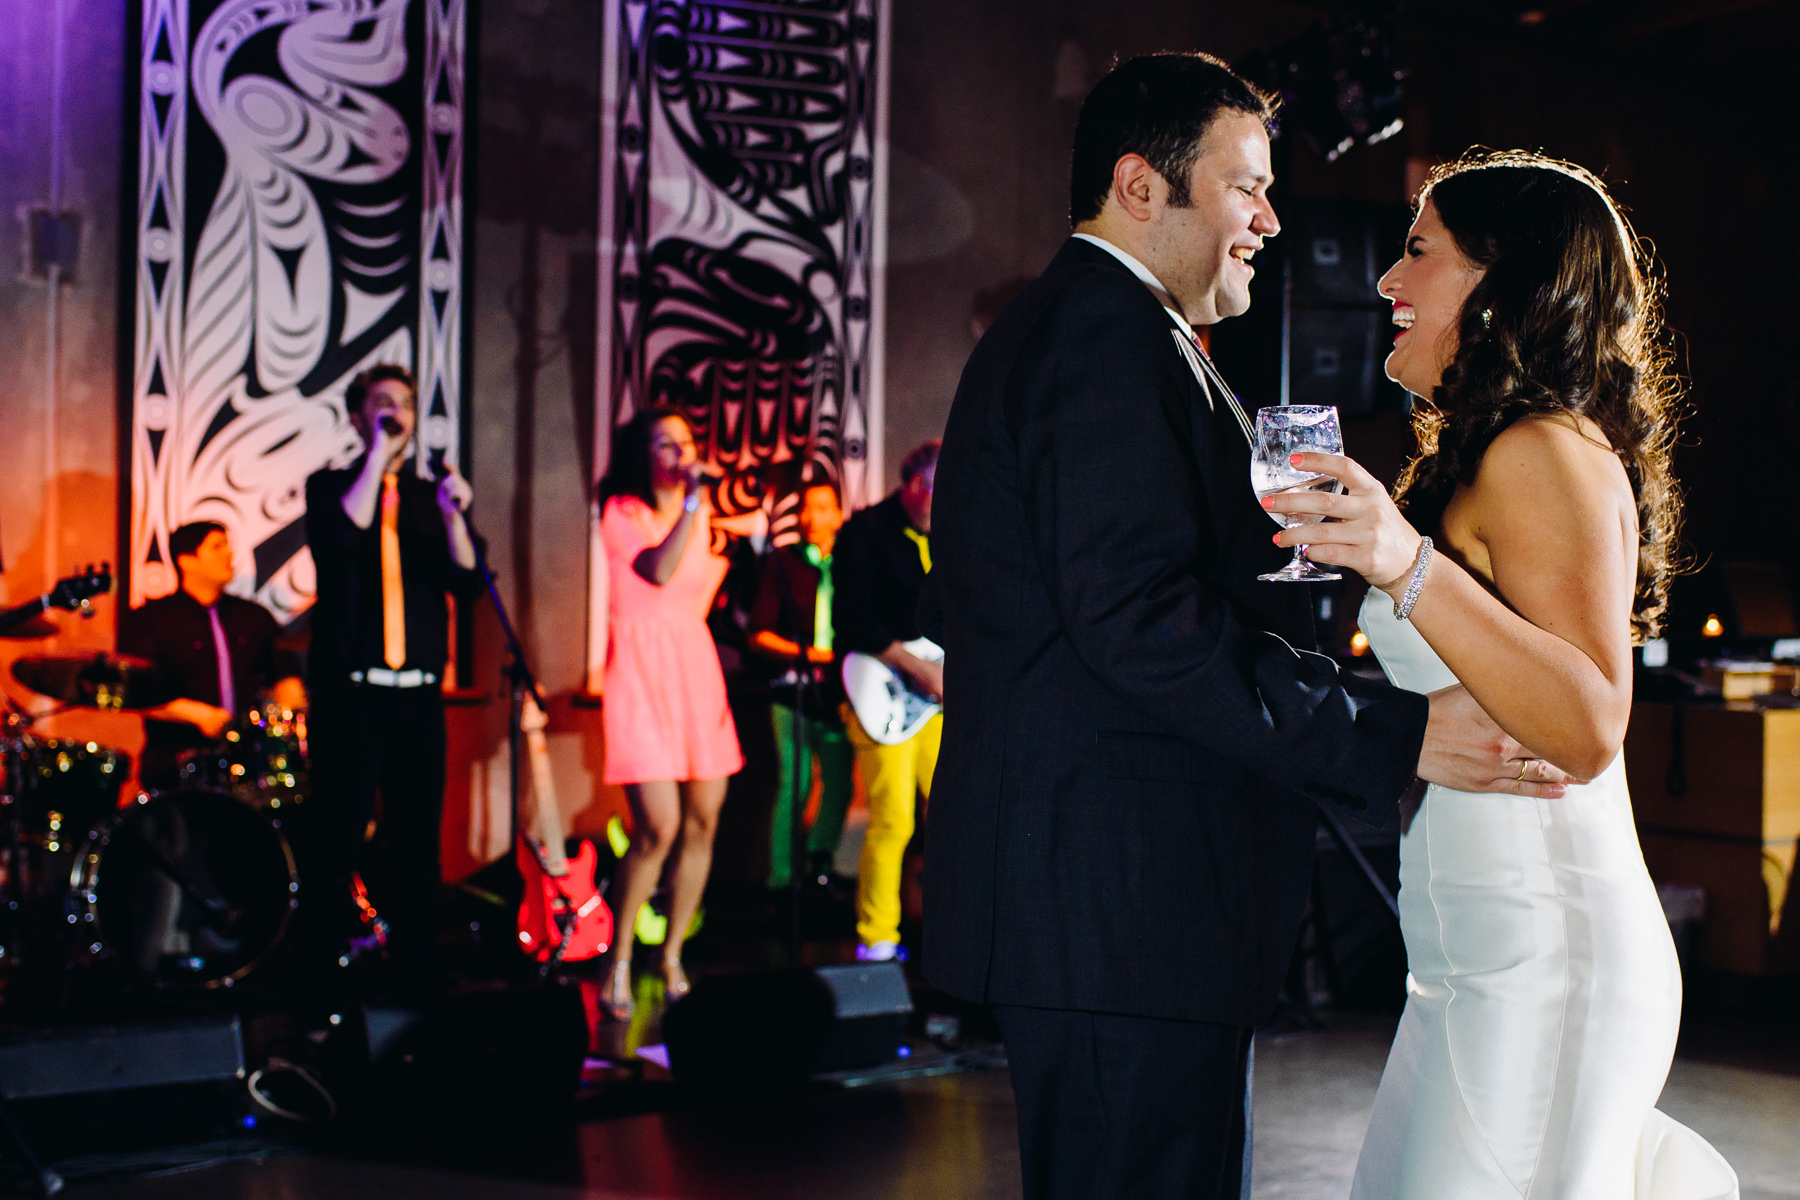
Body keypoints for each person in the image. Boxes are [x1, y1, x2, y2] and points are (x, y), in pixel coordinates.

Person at [921, 54, 1572, 1200]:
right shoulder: (1101, 340)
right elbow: (1141, 625)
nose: (1272, 220)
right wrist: (1388, 736)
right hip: (1116, 908)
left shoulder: (1123, 334)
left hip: (1126, 910)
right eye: (1246, 188)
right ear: (1140, 186)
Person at [1266, 150, 1738, 1198]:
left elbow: (1586, 721)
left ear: (1502, 283)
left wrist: (1403, 560)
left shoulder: (1543, 452)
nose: (1387, 282)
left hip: (1547, 963)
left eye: (1419, 252)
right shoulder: (1490, 453)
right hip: (1473, 971)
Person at [302, 363, 481, 986]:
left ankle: (415, 979)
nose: (396, 412)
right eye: (382, 403)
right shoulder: (330, 488)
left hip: (418, 700)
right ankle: (323, 983)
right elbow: (344, 538)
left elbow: (467, 581)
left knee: (417, 846)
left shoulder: (434, 498)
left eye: (403, 403)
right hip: (352, 695)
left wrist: (457, 514)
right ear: (358, 416)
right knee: (337, 840)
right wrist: (377, 456)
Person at [593, 408, 744, 1020]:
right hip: (639, 672)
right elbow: (658, 571)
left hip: (695, 670)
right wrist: (690, 506)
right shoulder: (621, 513)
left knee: (703, 824)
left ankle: (673, 954)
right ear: (642, 452)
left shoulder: (702, 515)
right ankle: (620, 957)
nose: (680, 451)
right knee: (657, 828)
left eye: (686, 440)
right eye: (665, 442)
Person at [834, 440, 943, 963]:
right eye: (931, 491)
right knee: (894, 818)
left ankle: (949, 935)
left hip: (939, 701)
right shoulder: (864, 533)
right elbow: (852, 620)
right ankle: (877, 938)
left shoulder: (952, 537)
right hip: (884, 689)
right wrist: (919, 667)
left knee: (953, 813)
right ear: (910, 484)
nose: (937, 503)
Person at [122, 521, 306, 789]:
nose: (228, 554)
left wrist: (285, 722)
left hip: (247, 762)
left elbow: (285, 678)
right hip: (175, 761)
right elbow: (134, 692)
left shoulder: (254, 617)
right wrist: (197, 715)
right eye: (216, 547)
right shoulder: (152, 619)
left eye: (227, 546)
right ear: (187, 561)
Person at [748, 481, 855, 892]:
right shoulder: (783, 562)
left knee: (839, 782)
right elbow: (759, 633)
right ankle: (781, 879)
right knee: (796, 782)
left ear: (838, 515)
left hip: (839, 691)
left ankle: (818, 864)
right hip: (791, 690)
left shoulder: (849, 560)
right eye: (808, 508)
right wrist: (810, 653)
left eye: (824, 508)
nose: (814, 517)